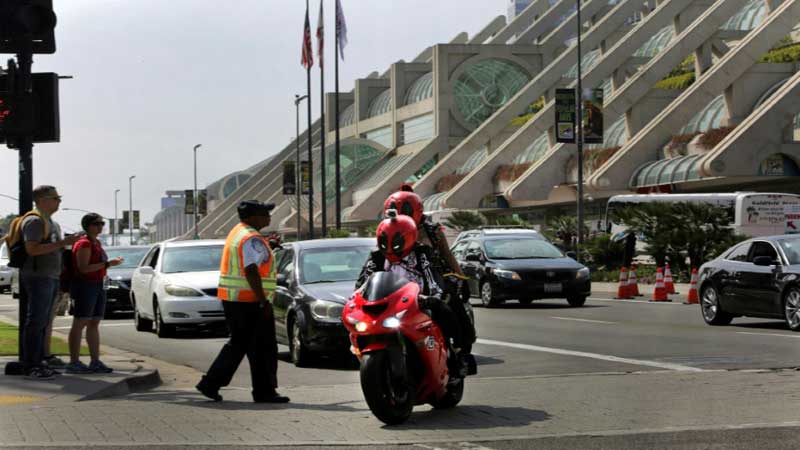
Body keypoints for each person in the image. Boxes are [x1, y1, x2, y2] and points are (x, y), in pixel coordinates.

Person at [196, 200, 290, 403]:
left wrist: (268, 247)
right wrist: (263, 301)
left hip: (237, 300)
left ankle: (213, 384)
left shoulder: (239, 232)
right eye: (265, 213)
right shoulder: (251, 238)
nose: (268, 217)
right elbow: (250, 270)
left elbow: (251, 261)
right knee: (262, 347)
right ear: (253, 217)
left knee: (243, 345)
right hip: (250, 301)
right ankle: (262, 391)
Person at [356, 211, 466, 377]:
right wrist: (357, 299)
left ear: (409, 237)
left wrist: (433, 297)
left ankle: (457, 355)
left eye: (396, 241)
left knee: (444, 310)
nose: (391, 247)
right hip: (387, 304)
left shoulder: (422, 253)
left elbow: (432, 277)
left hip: (418, 302)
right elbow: (363, 281)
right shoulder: (376, 256)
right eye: (386, 241)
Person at [382, 186, 477, 358]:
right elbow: (377, 263)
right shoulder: (386, 229)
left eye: (406, 213)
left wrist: (461, 279)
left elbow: (447, 255)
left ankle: (460, 348)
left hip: (432, 278)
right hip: (398, 285)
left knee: (452, 304)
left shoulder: (432, 231)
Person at [17, 186, 80, 380]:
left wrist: (65, 246)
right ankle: (31, 365)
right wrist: (63, 243)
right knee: (36, 321)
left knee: (43, 322)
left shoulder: (50, 222)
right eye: (55, 198)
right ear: (43, 200)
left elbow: (52, 248)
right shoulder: (34, 221)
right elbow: (32, 249)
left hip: (50, 276)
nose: (59, 202)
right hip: (38, 277)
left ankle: (40, 361)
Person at [65, 213, 123, 374]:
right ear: (87, 226)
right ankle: (74, 362)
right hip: (85, 286)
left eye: (101, 223)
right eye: (96, 224)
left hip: (98, 284)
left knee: (94, 322)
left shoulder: (96, 242)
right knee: (80, 322)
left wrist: (107, 265)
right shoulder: (84, 243)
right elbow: (83, 268)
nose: (100, 226)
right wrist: (107, 264)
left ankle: (95, 361)